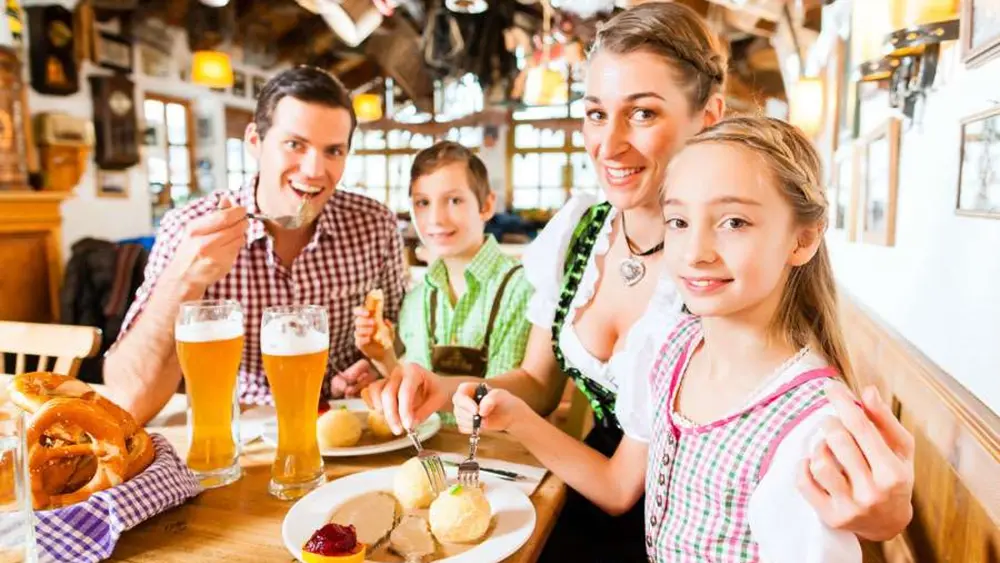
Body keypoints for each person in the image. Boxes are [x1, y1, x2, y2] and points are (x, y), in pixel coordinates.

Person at [363, 4, 914, 561]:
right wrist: (448, 387)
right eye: (596, 113)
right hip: (592, 491)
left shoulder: (721, 292)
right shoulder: (580, 233)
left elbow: (805, 481)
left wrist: (886, 519)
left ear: (709, 115)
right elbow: (538, 380)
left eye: (643, 114)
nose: (608, 143)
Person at [454, 116, 873, 562]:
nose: (695, 252)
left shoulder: (815, 427)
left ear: (803, 238)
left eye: (733, 222)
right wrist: (516, 417)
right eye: (678, 221)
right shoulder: (671, 348)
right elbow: (617, 488)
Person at [104, 66, 407, 425]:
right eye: (295, 144)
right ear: (254, 142)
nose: (313, 169)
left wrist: (375, 365)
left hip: (347, 426)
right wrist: (183, 281)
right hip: (238, 433)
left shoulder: (376, 224)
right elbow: (127, 401)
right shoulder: (191, 227)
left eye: (333, 151)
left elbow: (400, 338)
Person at [353, 141, 533, 388]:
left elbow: (511, 400)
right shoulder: (417, 300)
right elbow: (419, 395)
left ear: (487, 206)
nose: (436, 219)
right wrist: (382, 357)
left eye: (454, 201)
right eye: (423, 203)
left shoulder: (522, 290)